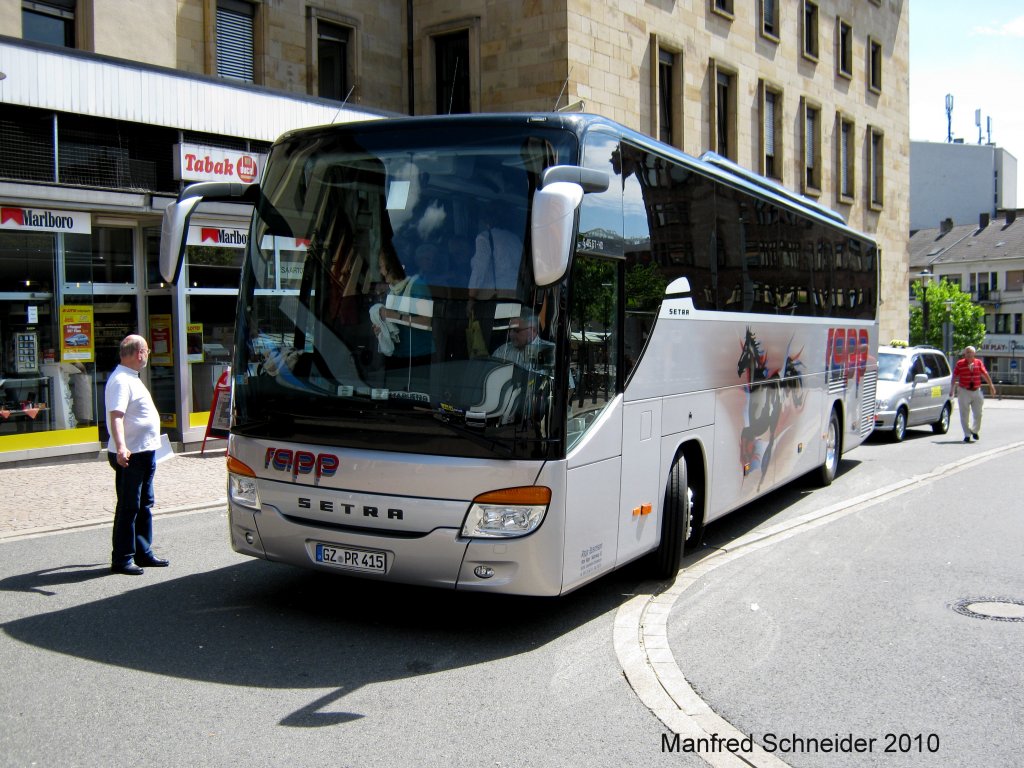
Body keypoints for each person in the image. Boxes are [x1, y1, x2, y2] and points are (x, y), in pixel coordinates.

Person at [105, 334, 167, 575]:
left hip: (145, 451)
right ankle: (122, 558)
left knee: (144, 504)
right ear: (139, 352)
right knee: (129, 506)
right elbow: (116, 417)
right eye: (147, 351)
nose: (147, 356)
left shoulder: (130, 377)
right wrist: (121, 447)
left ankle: (143, 551)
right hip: (131, 454)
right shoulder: (121, 380)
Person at [949, 345, 996, 443]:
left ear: (974, 354)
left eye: (971, 352)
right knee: (964, 414)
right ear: (964, 354)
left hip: (976, 390)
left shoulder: (978, 363)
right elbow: (954, 376)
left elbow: (985, 374)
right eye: (967, 352)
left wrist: (991, 386)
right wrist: (952, 389)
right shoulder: (960, 364)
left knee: (978, 414)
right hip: (964, 390)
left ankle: (974, 430)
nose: (969, 354)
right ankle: (967, 434)